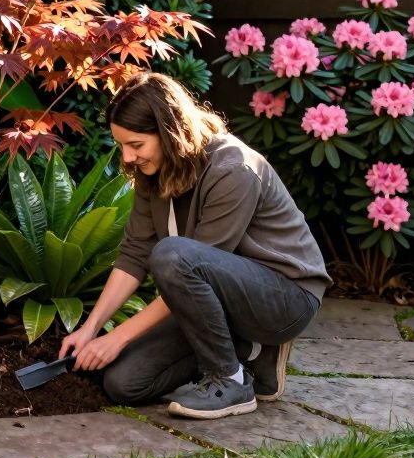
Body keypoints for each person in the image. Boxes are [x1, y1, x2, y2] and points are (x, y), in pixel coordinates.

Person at [58, 72, 329, 419]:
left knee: (173, 254)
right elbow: (135, 254)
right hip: (216, 300)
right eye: (122, 146)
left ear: (170, 133)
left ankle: (230, 382)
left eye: (136, 145)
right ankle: (248, 354)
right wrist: (91, 328)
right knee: (124, 383)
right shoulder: (152, 173)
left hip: (284, 298)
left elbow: (187, 264)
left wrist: (117, 338)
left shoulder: (233, 168)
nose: (127, 158)